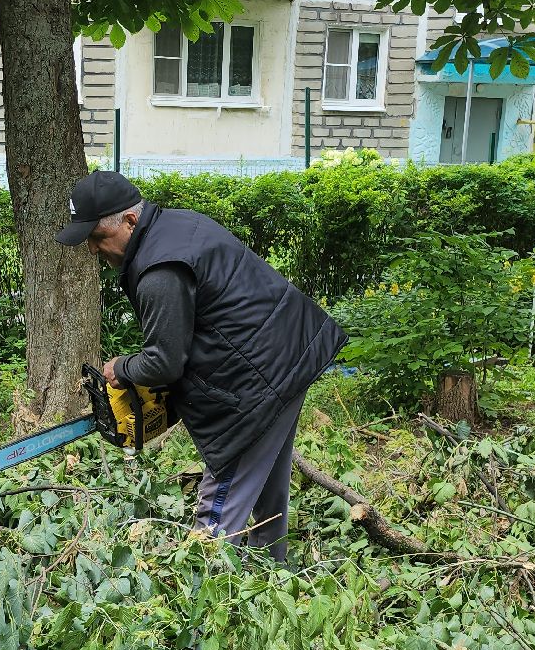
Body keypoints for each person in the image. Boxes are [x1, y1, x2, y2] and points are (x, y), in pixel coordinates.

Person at [56, 170, 345, 563]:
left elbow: (164, 361)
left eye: (97, 238)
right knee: (265, 486)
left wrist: (123, 369)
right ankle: (271, 575)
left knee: (220, 503)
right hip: (289, 352)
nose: (92, 250)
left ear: (129, 220)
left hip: (259, 377)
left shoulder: (159, 269)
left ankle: (200, 604)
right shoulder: (176, 225)